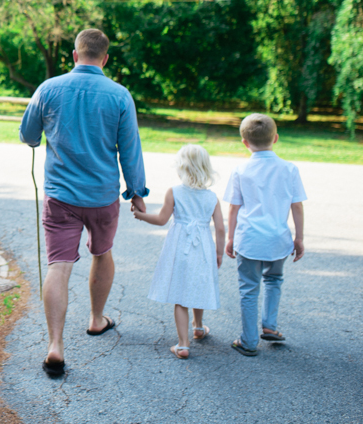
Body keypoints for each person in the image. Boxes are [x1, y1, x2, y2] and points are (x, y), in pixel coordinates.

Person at [19, 28, 149, 377]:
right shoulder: (120, 95)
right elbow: (130, 149)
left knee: (59, 265)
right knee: (101, 253)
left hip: (60, 197)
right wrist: (137, 192)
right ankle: (95, 319)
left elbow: (28, 135)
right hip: (102, 197)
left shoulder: (48, 89)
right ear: (105, 59)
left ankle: (55, 346)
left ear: (75, 55)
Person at [131, 145, 225, 359]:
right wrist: (219, 253)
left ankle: (183, 344)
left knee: (181, 295)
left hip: (179, 248)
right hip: (202, 248)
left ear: (181, 167)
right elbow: (220, 228)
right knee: (198, 287)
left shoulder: (175, 192)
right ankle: (198, 326)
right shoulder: (212, 198)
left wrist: (140, 215)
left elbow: (162, 219)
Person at [224, 113, 306, 356]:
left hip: (249, 239)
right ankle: (269, 325)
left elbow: (233, 207)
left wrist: (230, 237)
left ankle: (248, 341)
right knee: (274, 280)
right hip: (278, 240)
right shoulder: (289, 169)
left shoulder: (240, 170)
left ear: (245, 142)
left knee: (249, 289)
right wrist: (299, 237)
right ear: (276, 138)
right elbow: (297, 205)